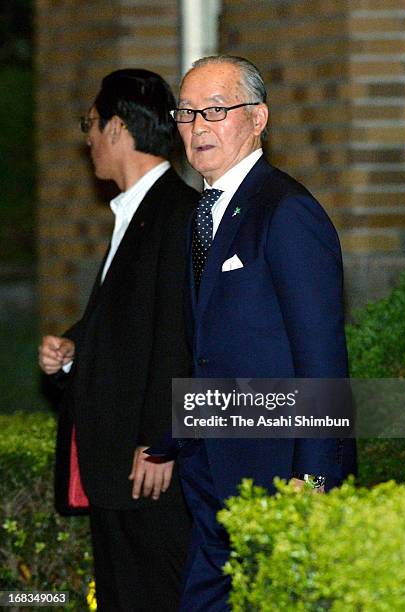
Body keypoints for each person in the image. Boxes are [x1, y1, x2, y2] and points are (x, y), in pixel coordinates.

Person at [146, 55, 357, 611]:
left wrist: (312, 480)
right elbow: (208, 349)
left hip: (280, 478)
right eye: (187, 113)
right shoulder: (203, 214)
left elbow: (323, 360)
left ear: (258, 118)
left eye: (216, 110)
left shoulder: (285, 211)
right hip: (213, 478)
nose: (198, 127)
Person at [38, 69, 198, 612]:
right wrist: (72, 351)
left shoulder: (177, 213)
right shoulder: (134, 213)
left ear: (118, 128)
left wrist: (160, 439)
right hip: (117, 473)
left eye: (91, 123)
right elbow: (130, 325)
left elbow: (180, 336)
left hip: (146, 472)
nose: (87, 138)